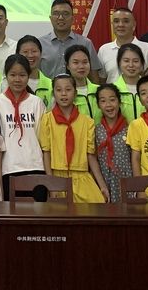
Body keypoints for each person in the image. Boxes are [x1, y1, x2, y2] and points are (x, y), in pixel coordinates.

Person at [39, 74, 109, 203]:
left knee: (97, 204)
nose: (63, 94)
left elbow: (91, 156)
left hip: (81, 176)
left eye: (68, 89)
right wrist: (51, 184)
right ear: (53, 94)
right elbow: (46, 153)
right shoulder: (47, 120)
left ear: (75, 93)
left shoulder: (87, 122)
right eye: (59, 90)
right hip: (57, 177)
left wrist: (102, 185)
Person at [0, 54, 46, 200]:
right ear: (6, 76)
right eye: (13, 75)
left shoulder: (37, 102)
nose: (17, 79)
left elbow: (41, 136)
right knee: (11, 212)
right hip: (9, 167)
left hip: (35, 166)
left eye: (22, 75)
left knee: (39, 211)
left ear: (28, 76)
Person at [39, 0, 101, 79]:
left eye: (65, 14)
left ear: (72, 19)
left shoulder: (85, 43)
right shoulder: (40, 44)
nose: (60, 18)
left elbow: (94, 76)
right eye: (56, 14)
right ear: (50, 18)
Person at [94, 83, 131, 203]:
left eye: (112, 99)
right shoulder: (96, 130)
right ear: (98, 105)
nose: (108, 105)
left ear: (119, 102)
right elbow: (93, 158)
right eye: (103, 101)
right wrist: (101, 185)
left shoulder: (130, 129)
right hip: (105, 181)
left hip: (127, 181)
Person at [97, 7, 148, 82]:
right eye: (116, 21)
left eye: (126, 21)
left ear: (134, 25)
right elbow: (102, 80)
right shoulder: (104, 50)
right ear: (112, 25)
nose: (120, 25)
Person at [10, 36, 52, 105]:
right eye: (25, 52)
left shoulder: (51, 85)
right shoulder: (10, 82)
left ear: (41, 54)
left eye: (34, 51)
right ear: (17, 55)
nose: (30, 55)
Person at [65, 44, 101, 122]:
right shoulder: (64, 94)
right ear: (67, 66)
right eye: (76, 62)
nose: (81, 66)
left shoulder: (99, 91)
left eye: (85, 62)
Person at [113, 44, 146, 124]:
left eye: (135, 61)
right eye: (126, 61)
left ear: (142, 64)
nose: (131, 65)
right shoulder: (113, 90)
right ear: (119, 63)